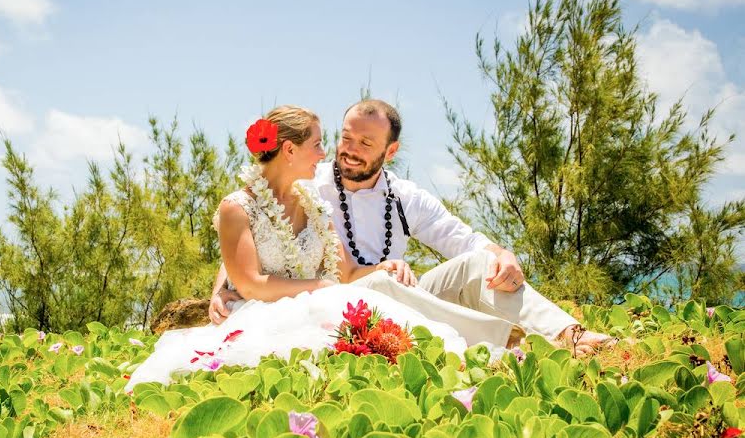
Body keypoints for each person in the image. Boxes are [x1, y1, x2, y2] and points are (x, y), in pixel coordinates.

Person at [126, 105, 497, 390]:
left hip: (318, 300)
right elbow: (251, 283)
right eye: (317, 144)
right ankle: (492, 338)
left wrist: (383, 268)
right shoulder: (236, 207)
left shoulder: (315, 204)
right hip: (261, 311)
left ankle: (484, 341)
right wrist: (314, 289)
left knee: (381, 290)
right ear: (289, 150)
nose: (325, 154)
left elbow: (348, 273)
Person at [209, 99, 612, 356]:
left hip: (401, 296)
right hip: (338, 301)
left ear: (391, 151)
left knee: (476, 263)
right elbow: (253, 233)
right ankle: (513, 342)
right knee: (386, 286)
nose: (348, 150)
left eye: (366, 145)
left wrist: (502, 254)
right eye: (345, 138)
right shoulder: (308, 182)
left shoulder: (405, 197)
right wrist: (222, 287)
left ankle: (569, 334)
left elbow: (460, 237)